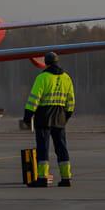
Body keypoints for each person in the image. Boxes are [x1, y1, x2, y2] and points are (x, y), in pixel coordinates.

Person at [23, 52, 75, 187]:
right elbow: (71, 101)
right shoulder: (66, 78)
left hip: (43, 117)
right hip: (60, 117)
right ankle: (66, 178)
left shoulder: (42, 77)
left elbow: (34, 98)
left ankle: (42, 178)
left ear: (45, 63)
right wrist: (66, 116)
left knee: (43, 148)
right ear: (57, 62)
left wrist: (28, 116)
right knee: (61, 148)